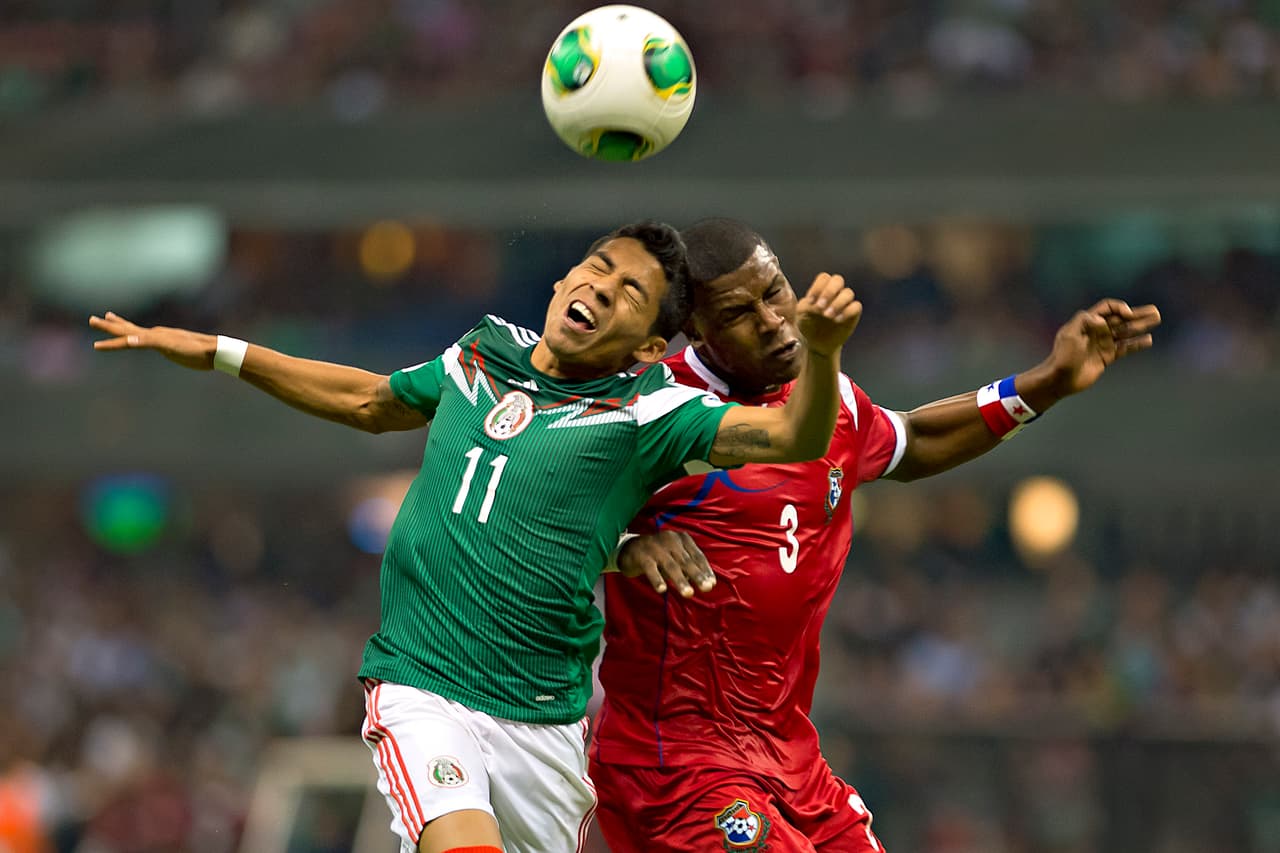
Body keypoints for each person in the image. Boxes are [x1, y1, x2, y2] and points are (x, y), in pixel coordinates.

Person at [88, 221, 865, 853]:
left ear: (646, 349)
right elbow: (368, 400)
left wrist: (822, 351)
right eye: (598, 267)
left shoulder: (649, 411)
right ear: (563, 281)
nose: (602, 286)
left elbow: (797, 433)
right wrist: (221, 352)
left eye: (633, 293)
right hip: (424, 686)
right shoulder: (479, 352)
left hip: (546, 728)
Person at [589, 218, 1162, 853]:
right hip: (678, 762)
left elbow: (913, 440)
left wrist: (1048, 382)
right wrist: (622, 548)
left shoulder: (823, 396)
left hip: (790, 758)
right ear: (695, 327)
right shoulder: (651, 408)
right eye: (738, 313)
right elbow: (534, 512)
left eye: (775, 292)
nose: (774, 321)